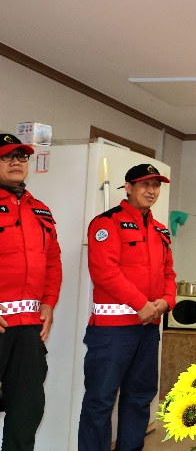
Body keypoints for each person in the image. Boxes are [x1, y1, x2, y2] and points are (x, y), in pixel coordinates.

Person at [79, 164, 176, 451]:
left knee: (139, 397)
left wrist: (166, 301)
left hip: (147, 331)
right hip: (112, 333)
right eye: (145, 184)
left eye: (156, 185)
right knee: (100, 400)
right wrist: (141, 304)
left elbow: (169, 273)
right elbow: (104, 272)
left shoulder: (160, 230)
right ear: (129, 187)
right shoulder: (106, 223)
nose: (151, 190)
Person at [0, 134, 62, 451]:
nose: (16, 162)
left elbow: (52, 261)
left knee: (27, 409)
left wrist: (49, 303)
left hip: (28, 330)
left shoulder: (41, 211)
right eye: (7, 157)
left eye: (21, 157)